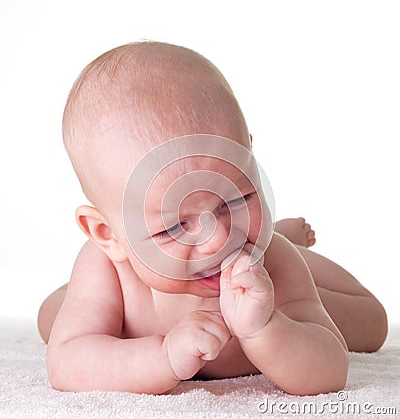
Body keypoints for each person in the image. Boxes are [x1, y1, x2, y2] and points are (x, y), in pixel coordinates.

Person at [38, 41, 387, 396]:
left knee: (373, 324)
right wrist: (163, 357)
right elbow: (67, 364)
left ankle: (284, 238)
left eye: (235, 198)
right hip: (112, 295)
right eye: (175, 226)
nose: (220, 238)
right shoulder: (107, 268)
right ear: (108, 234)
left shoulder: (273, 266)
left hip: (273, 277)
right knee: (50, 318)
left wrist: (266, 330)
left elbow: (330, 372)